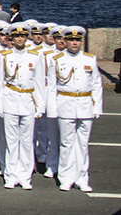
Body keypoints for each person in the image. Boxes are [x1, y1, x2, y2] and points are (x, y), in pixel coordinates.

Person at [47, 26, 103, 192]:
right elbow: (51, 86)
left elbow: (96, 85)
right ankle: (66, 177)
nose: (74, 43)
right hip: (65, 103)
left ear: (81, 42)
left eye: (77, 40)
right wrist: (52, 109)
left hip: (85, 104)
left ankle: (82, 177)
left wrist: (97, 107)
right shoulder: (57, 59)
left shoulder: (90, 59)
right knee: (66, 143)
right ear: (65, 41)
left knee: (83, 145)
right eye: (71, 40)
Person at [0, 23, 45, 190]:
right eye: (16, 37)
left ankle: (25, 176)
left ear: (26, 38)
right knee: (11, 140)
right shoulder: (4, 56)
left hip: (28, 101)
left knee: (26, 141)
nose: (20, 39)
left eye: (23, 36)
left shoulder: (35, 57)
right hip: (10, 99)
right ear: (12, 39)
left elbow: (39, 84)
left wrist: (40, 106)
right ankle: (10, 174)